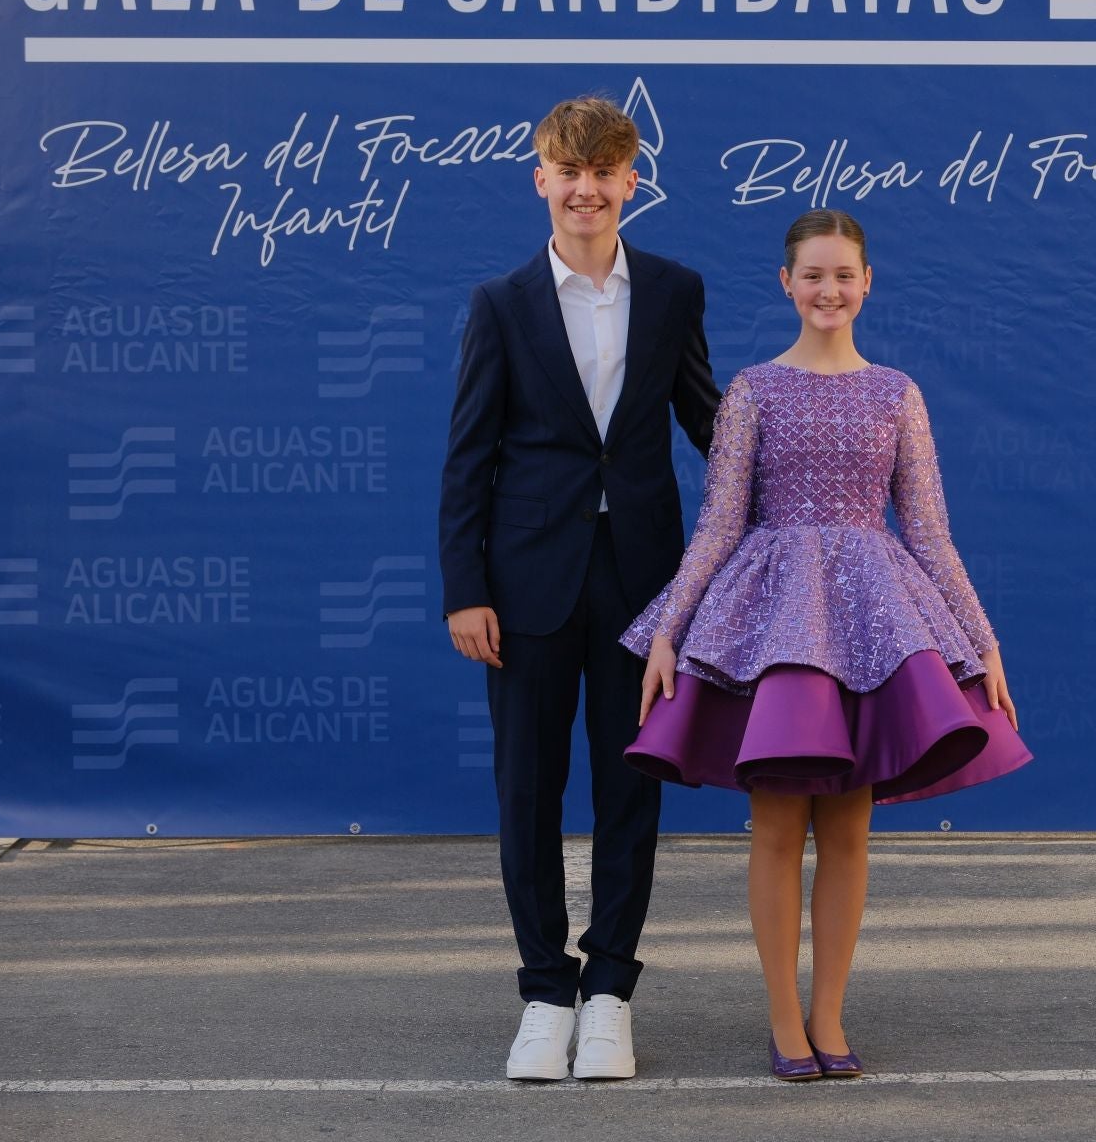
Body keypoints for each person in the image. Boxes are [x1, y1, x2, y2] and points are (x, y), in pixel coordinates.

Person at [620, 208, 1032, 1081]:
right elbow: (720, 524)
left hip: (873, 626)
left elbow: (929, 532)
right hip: (778, 630)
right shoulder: (751, 392)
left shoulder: (897, 393)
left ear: (867, 283)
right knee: (776, 826)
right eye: (812, 275)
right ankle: (783, 1020)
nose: (829, 290)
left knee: (848, 831)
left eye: (844, 274)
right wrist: (668, 630)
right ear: (786, 283)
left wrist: (982, 641)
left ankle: (830, 1016)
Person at [438, 95, 720, 1081]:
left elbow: (709, 421)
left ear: (632, 182)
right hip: (526, 583)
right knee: (527, 787)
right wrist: (465, 586)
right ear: (542, 180)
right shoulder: (501, 304)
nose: (587, 190)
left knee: (630, 784)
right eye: (570, 173)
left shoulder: (675, 290)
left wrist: (798, 472)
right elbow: (468, 458)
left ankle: (608, 994)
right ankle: (544, 993)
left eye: (605, 173)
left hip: (643, 580)